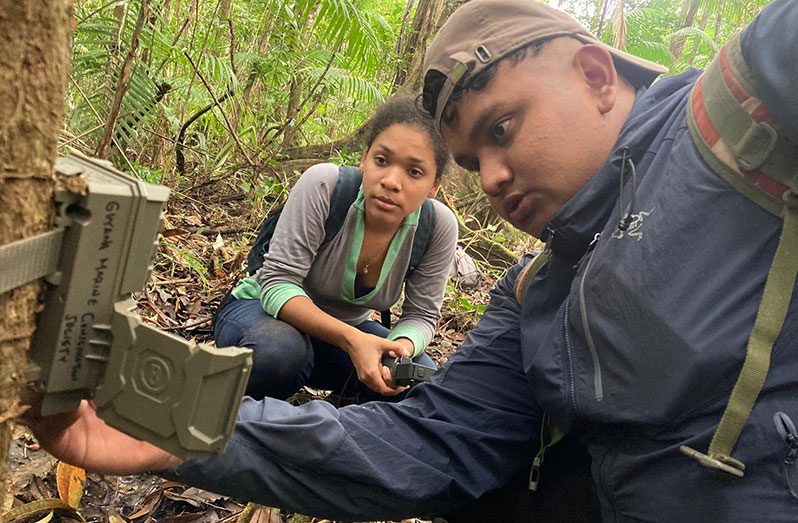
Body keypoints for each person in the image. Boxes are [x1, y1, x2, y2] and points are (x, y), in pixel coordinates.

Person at [28, 0, 798, 521]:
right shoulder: (536, 288)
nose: (492, 177)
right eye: (471, 157)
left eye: (502, 127)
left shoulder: (737, 124)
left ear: (596, 75)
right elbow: (435, 440)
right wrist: (178, 438)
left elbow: (423, 321)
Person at [213, 93, 458, 400]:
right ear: (364, 158)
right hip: (262, 317)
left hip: (343, 338)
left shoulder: (437, 227)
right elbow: (277, 284)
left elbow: (421, 316)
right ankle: (235, 421)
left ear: (434, 185)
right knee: (280, 352)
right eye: (381, 161)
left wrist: (400, 349)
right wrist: (352, 340)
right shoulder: (326, 186)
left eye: (414, 172)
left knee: (415, 378)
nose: (392, 181)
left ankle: (333, 433)